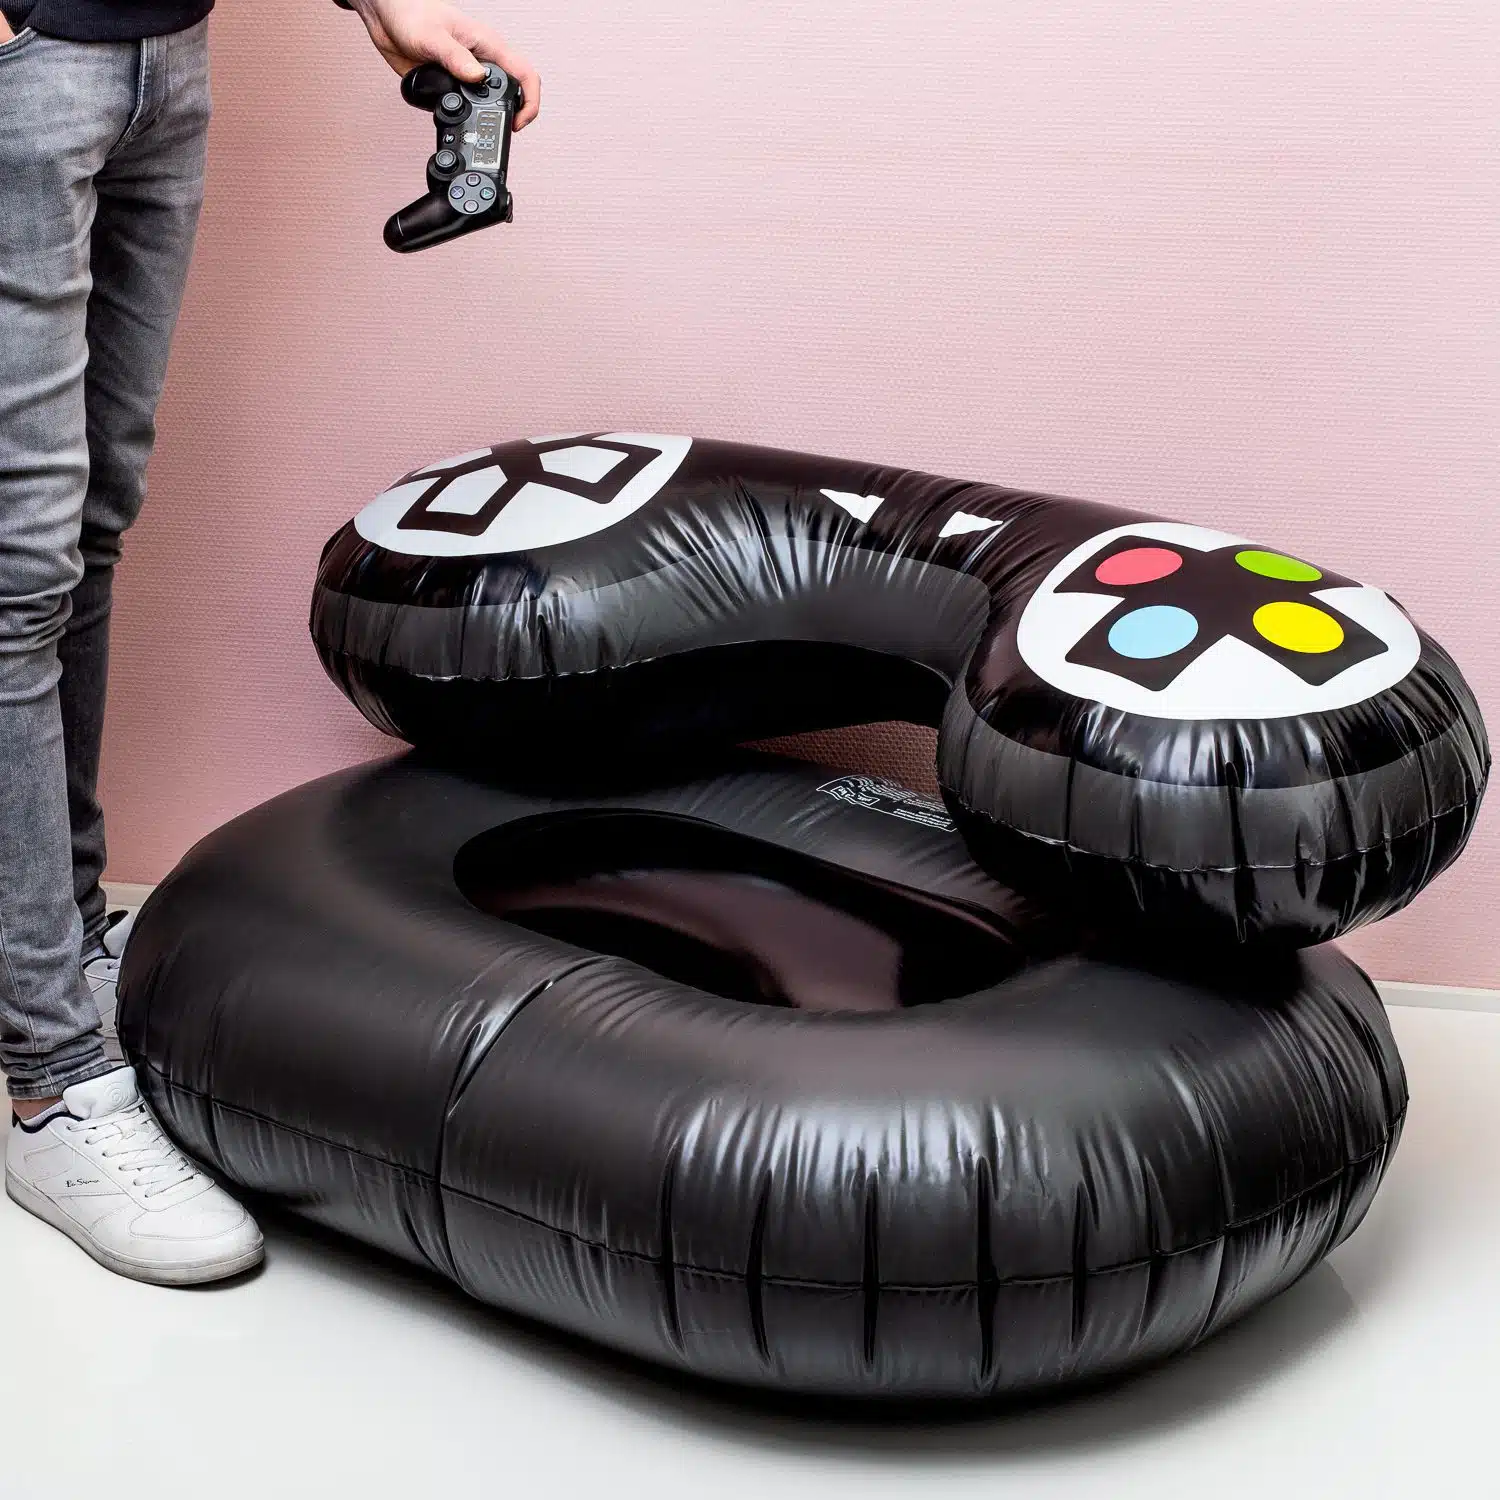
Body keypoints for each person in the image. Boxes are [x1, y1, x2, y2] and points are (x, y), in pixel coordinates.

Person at [0, 0, 539, 1285]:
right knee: (15, 573)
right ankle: (52, 1082)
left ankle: (65, 942)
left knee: (89, 522)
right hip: (32, 66)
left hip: (163, 55)